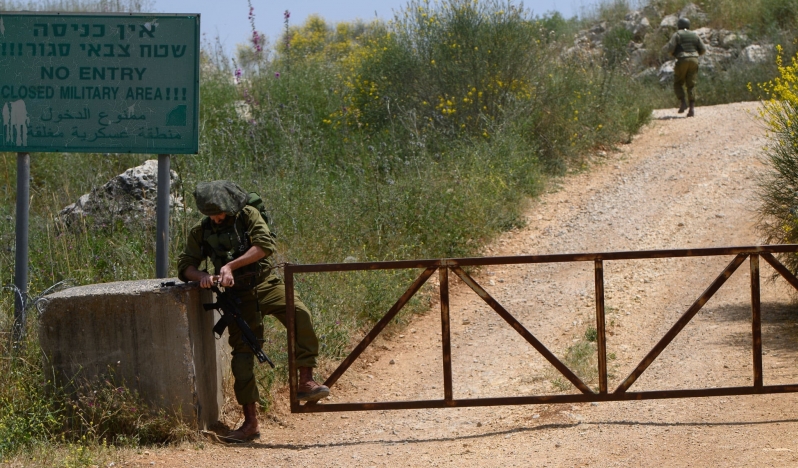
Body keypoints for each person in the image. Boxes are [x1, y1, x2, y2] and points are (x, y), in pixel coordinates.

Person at [177, 180, 329, 442]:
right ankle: (250, 423)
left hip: (266, 284)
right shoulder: (201, 231)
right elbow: (185, 265)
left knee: (300, 313)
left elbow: (264, 245)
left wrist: (230, 266)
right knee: (242, 357)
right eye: (211, 213)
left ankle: (306, 380)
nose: (216, 217)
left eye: (220, 212)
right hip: (239, 297)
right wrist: (203, 276)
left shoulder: (248, 215)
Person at [666, 17, 706, 117]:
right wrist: (695, 55)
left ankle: (683, 102)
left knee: (678, 83)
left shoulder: (677, 34)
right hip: (694, 60)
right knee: (691, 84)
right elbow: (703, 49)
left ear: (679, 25)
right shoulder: (695, 34)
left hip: (682, 59)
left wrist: (673, 54)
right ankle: (692, 109)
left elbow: (670, 48)